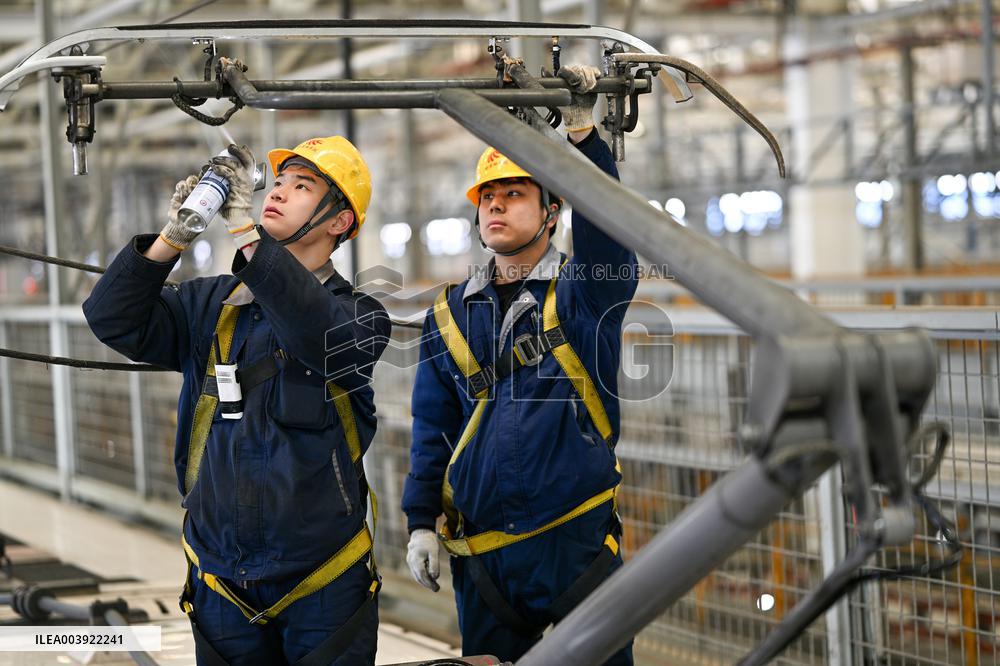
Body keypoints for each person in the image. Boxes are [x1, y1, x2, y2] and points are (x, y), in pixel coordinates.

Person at [83, 136, 390, 665]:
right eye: (278, 183)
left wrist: (248, 233)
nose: (277, 194)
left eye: (303, 187)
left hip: (322, 581)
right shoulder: (208, 306)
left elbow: (320, 335)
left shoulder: (360, 317)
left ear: (339, 222)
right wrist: (173, 236)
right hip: (221, 578)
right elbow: (112, 318)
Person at [401, 64, 637, 664]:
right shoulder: (449, 316)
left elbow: (609, 230)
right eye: (488, 197)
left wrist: (583, 138)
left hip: (575, 544)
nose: (496, 206)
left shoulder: (585, 297)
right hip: (485, 560)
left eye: (514, 193)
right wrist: (421, 522)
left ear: (553, 209)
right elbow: (433, 430)